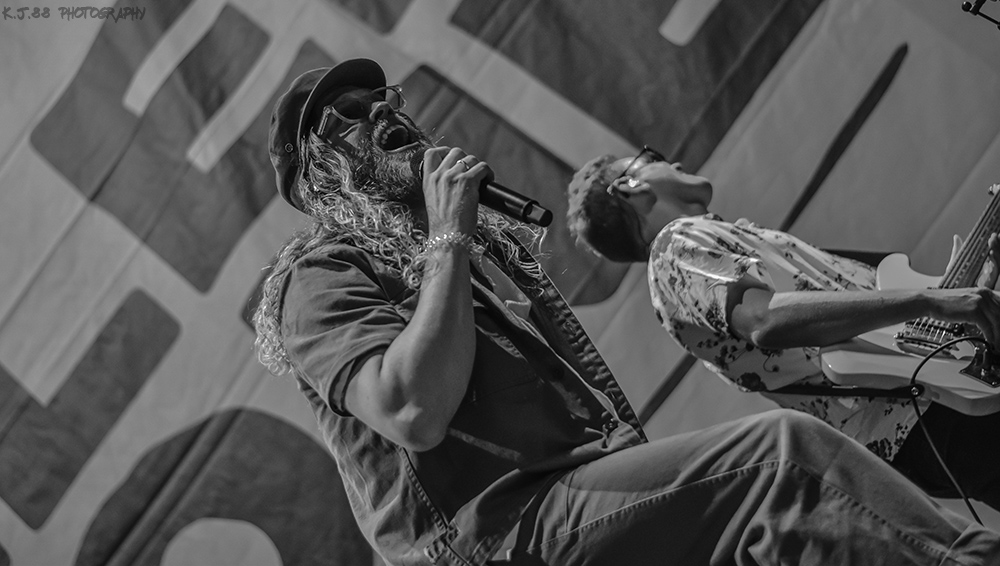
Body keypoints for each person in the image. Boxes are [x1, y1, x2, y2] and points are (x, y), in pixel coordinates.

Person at [254, 58, 1000, 566]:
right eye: (349, 115)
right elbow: (412, 410)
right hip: (498, 535)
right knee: (780, 460)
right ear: (319, 171)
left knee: (779, 534)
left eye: (387, 99)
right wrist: (448, 231)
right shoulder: (317, 277)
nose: (384, 109)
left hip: (560, 510)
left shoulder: (471, 265)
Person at [566, 147, 1000, 514]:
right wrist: (928, 301)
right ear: (629, 186)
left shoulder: (703, 242)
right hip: (916, 410)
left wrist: (963, 286)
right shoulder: (675, 246)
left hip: (923, 403)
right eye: (654, 157)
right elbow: (765, 320)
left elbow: (894, 324)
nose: (673, 162)